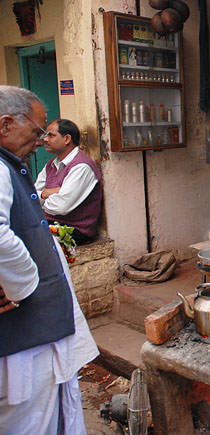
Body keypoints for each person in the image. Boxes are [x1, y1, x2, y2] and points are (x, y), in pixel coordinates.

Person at [0, 85, 99, 434]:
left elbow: (56, 202)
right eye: (38, 130)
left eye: (48, 133)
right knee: (29, 418)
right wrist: (24, 286)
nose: (41, 139)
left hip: (30, 330)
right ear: (5, 125)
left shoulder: (21, 166)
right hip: (23, 333)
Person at [34, 118, 102, 245]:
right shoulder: (51, 165)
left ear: (67, 139)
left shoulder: (82, 167)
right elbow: (32, 197)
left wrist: (44, 196)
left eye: (51, 135)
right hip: (53, 225)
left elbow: (61, 206)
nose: (45, 139)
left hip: (75, 230)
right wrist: (47, 193)